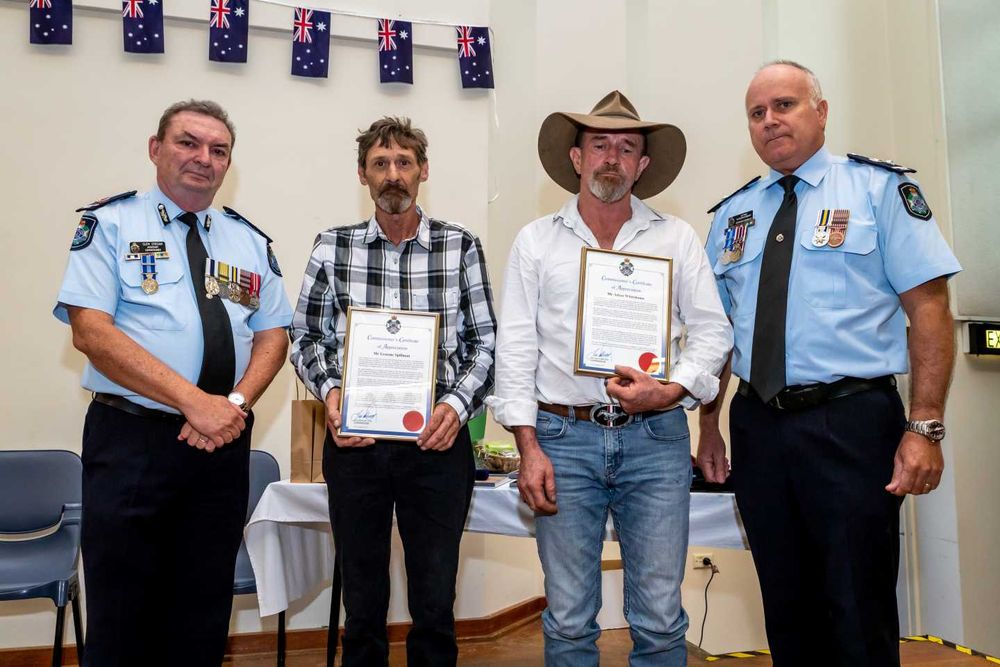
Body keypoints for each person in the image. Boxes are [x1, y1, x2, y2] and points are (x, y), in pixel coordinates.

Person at [698, 60, 962, 666]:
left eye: (785, 105)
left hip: (850, 422)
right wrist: (709, 423)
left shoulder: (880, 191)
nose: (770, 122)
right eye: (757, 113)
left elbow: (929, 308)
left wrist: (924, 426)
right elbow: (717, 336)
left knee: (857, 600)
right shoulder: (732, 217)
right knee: (785, 602)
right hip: (758, 424)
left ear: (821, 111)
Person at [488, 91, 732, 666]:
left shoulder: (677, 239)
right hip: (562, 440)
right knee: (569, 617)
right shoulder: (536, 242)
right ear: (577, 158)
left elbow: (714, 333)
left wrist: (671, 390)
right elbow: (516, 349)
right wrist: (528, 446)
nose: (612, 158)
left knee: (660, 617)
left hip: (656, 440)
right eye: (599, 145)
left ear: (642, 166)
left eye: (627, 148)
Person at [54, 99, 292, 666]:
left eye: (218, 150)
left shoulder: (248, 241)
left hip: (221, 447)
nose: (203, 159)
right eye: (188, 143)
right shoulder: (109, 224)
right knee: (121, 610)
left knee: (203, 610)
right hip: (132, 442)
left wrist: (231, 405)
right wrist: (194, 403)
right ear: (155, 149)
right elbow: (91, 332)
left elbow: (274, 334)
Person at [289, 116, 497, 666]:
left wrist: (454, 407)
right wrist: (332, 397)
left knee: (434, 602)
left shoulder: (461, 247)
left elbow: (486, 344)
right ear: (363, 175)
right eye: (380, 164)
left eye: (404, 162)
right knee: (362, 602)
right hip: (356, 447)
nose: (393, 175)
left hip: (437, 446)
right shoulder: (332, 248)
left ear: (423, 171)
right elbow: (305, 337)